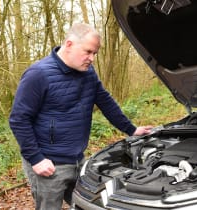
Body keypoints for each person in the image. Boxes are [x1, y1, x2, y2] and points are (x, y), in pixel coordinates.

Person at [9, 23, 153, 210]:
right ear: (69, 44)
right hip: (49, 164)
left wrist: (131, 129)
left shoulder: (88, 73)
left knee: (86, 205)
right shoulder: (38, 75)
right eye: (88, 52)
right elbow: (18, 119)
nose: (92, 58)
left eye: (95, 53)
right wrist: (36, 159)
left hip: (78, 160)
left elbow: (106, 102)